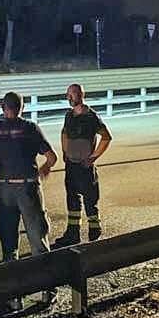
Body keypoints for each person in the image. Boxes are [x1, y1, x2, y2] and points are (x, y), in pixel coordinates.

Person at [0, 91, 58, 274]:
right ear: (22, 108)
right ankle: (47, 289)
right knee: (38, 241)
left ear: (2, 108)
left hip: (2, 189)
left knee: (9, 247)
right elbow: (51, 157)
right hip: (27, 188)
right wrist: (45, 168)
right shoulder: (30, 128)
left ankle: (13, 298)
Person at [54, 83, 112, 246]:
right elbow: (64, 132)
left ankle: (95, 231)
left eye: (71, 94)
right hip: (71, 165)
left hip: (85, 166)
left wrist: (93, 157)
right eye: (67, 95)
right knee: (72, 200)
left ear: (81, 95)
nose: (69, 98)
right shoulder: (69, 115)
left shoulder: (91, 117)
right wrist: (65, 152)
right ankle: (73, 233)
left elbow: (106, 137)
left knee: (90, 199)